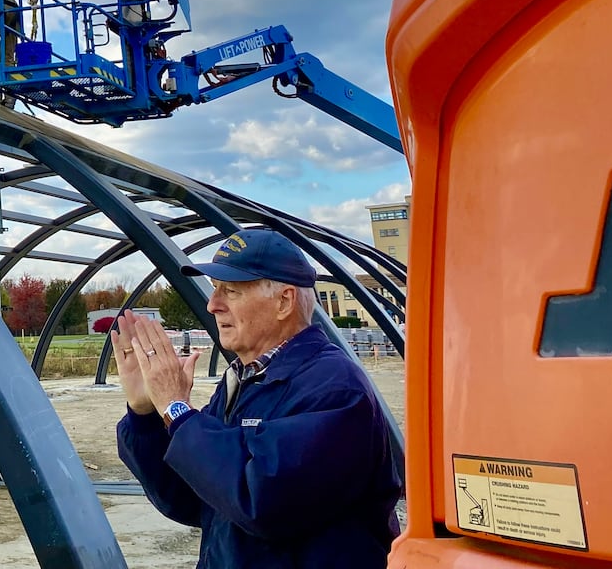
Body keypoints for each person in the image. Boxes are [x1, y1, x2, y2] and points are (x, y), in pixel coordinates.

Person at [111, 229, 402, 569]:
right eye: (215, 290)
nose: (212, 304)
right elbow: (191, 499)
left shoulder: (333, 387)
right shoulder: (243, 380)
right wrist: (144, 414)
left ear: (284, 301)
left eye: (230, 291)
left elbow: (262, 502)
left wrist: (177, 410)